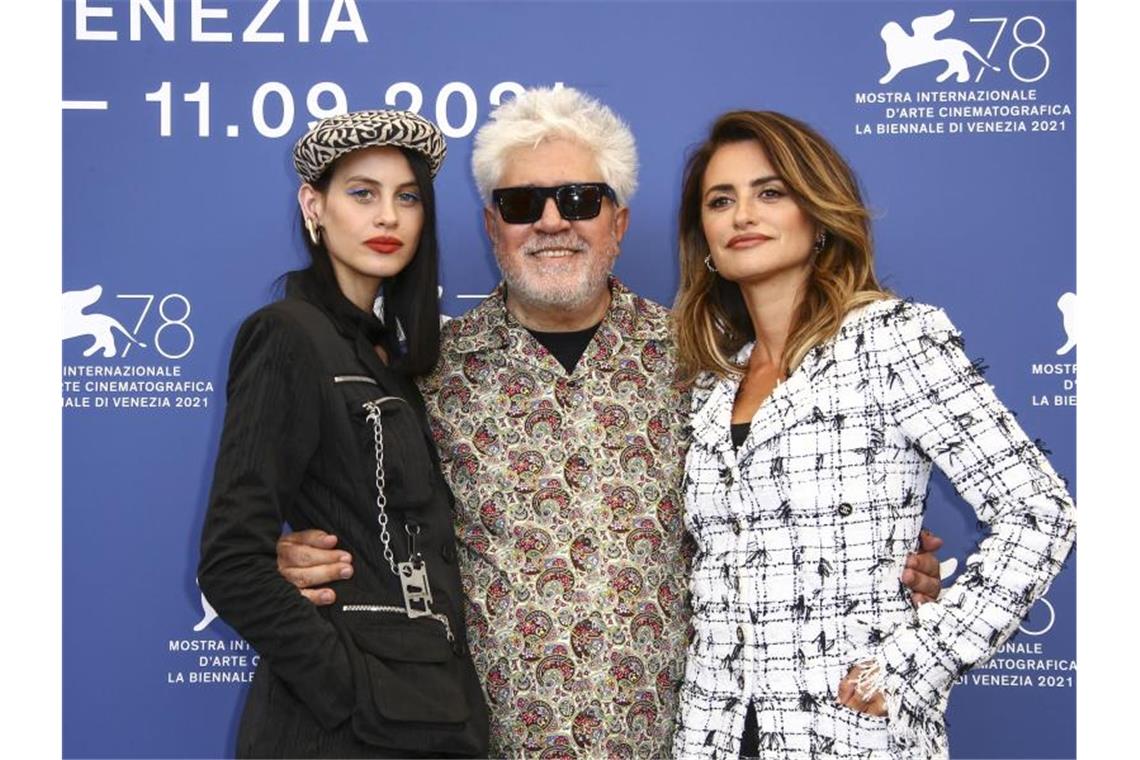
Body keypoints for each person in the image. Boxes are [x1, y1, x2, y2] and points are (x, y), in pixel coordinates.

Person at [274, 88, 945, 757]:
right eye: (519, 204)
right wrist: (293, 559)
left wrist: (883, 559)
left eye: (579, 200)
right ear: (491, 228)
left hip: (674, 742)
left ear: (618, 224)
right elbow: (375, 523)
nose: (550, 222)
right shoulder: (425, 373)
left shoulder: (706, 363)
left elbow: (781, 514)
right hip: (483, 743)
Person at [669, 110, 1076, 759]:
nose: (743, 213)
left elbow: (1040, 512)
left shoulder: (893, 340)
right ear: (706, 240)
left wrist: (911, 664)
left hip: (848, 734)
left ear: (818, 213)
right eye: (722, 200)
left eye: (770, 191)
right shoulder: (713, 385)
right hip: (714, 733)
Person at [197, 109, 489, 758]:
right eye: (362, 193)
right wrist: (353, 692)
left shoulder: (394, 361)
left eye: (406, 197)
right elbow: (231, 565)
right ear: (314, 205)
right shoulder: (287, 336)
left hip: (434, 719)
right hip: (341, 736)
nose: (387, 216)